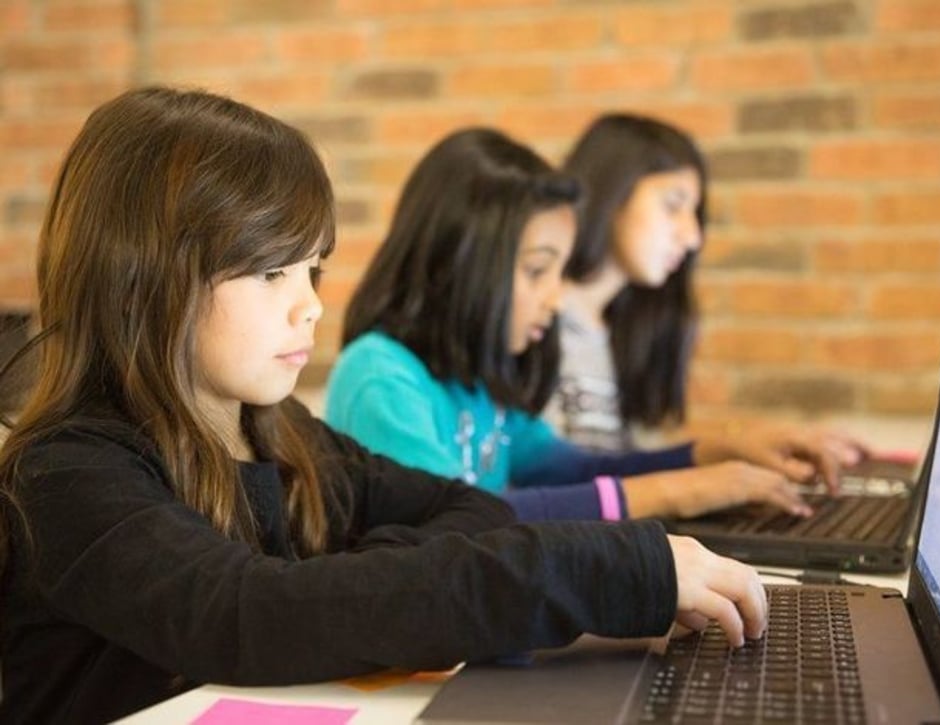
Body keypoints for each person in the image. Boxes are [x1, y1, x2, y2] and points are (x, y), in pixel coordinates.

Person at [0, 87, 769, 725]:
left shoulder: (281, 432)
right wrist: (602, 568)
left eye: (314, 270)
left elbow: (468, 505)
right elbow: (246, 616)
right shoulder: (65, 471)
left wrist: (349, 581)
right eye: (271, 273)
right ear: (147, 278)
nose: (309, 310)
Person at [326, 127, 814, 524]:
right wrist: (671, 493)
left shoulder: (477, 382)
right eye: (538, 271)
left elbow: (574, 470)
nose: (556, 299)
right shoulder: (380, 377)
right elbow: (461, 524)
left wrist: (708, 454)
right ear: (461, 262)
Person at [547, 112, 868, 483]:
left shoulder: (623, 330)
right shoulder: (536, 323)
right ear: (611, 191)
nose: (692, 236)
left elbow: (621, 470)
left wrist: (738, 451)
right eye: (672, 205)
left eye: (693, 213)